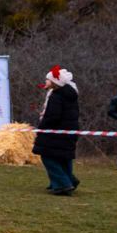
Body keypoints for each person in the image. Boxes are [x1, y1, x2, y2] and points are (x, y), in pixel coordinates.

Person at [32, 66, 81, 195]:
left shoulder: (56, 96)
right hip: (69, 130)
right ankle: (68, 180)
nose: (45, 81)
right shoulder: (70, 95)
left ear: (55, 82)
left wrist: (42, 128)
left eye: (47, 79)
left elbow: (52, 116)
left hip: (55, 132)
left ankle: (63, 184)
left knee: (48, 157)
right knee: (63, 157)